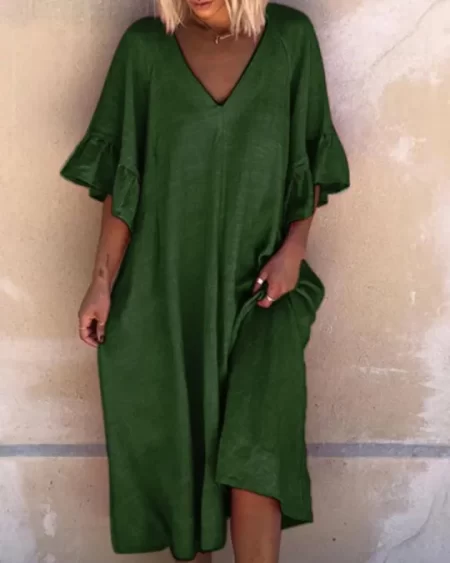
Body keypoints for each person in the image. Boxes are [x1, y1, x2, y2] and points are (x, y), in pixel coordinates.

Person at [60, 0, 350, 560]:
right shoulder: (145, 49)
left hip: (263, 290)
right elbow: (124, 181)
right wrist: (101, 281)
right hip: (166, 292)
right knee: (185, 465)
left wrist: (295, 248)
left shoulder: (290, 40)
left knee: (258, 455)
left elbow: (310, 158)